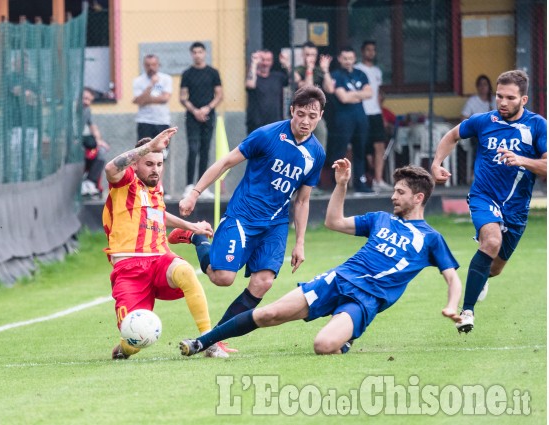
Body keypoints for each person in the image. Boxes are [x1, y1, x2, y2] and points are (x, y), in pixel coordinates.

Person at [179, 161, 462, 357]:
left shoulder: (430, 238)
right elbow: (334, 221)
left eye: (400, 192)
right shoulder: (380, 219)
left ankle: (345, 339)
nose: (393, 196)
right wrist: (341, 185)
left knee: (323, 345)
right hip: (337, 279)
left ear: (418, 198)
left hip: (365, 300)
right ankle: (201, 342)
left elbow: (452, 277)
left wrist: (452, 306)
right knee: (268, 314)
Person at [168, 85, 327, 353]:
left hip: (275, 225)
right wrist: (194, 194)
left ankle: (210, 341)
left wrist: (300, 242)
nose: (306, 121)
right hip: (242, 216)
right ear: (292, 110)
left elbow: (302, 200)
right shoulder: (267, 135)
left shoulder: (316, 153)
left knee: (263, 282)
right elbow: (225, 163)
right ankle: (196, 238)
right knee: (223, 278)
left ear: (320, 116)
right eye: (301, 114)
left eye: (312, 116)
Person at [431, 69, 547, 333]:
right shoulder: (483, 121)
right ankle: (467, 312)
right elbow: (451, 136)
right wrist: (437, 163)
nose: (503, 102)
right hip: (484, 196)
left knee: (493, 268)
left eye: (509, 97)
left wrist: (522, 160)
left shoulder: (538, 125)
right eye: (499, 96)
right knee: (491, 240)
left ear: (524, 100)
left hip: (516, 208)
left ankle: (482, 277)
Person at [102, 127, 227, 359]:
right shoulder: (124, 181)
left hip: (159, 259)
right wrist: (149, 147)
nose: (156, 170)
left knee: (186, 272)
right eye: (149, 164)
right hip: (129, 268)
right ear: (135, 164)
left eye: (159, 164)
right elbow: (110, 168)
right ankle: (124, 349)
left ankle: (209, 341)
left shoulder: (155, 187)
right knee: (135, 340)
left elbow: (158, 214)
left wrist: (193, 227)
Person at [324, 46, 373, 194]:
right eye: (345, 58)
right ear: (339, 59)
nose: (348, 61)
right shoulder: (336, 75)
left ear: (354, 58)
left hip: (360, 117)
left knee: (360, 150)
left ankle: (360, 182)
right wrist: (358, 94)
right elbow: (343, 98)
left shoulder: (361, 73)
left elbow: (369, 93)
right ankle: (336, 184)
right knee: (340, 150)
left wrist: (351, 94)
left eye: (350, 58)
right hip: (343, 118)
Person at [179, 42, 223, 200]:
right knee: (193, 149)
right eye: (195, 52)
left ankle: (203, 187)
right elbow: (183, 97)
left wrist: (207, 109)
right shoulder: (187, 74)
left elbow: (219, 95)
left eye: (200, 52)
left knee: (205, 150)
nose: (197, 55)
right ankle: (189, 186)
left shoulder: (213, 73)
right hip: (192, 117)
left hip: (208, 115)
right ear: (192, 54)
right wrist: (195, 111)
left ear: (205, 53)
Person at [354, 40, 393, 192]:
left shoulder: (377, 71)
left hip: (376, 113)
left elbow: (378, 95)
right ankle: (359, 180)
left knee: (380, 146)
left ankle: (378, 179)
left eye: (373, 50)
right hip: (362, 112)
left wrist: (382, 113)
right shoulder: (357, 69)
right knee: (361, 147)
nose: (371, 53)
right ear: (362, 52)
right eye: (368, 50)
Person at [290, 41, 333, 154]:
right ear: (302, 55)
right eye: (307, 54)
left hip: (315, 112)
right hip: (300, 111)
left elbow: (330, 89)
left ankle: (318, 162)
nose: (310, 57)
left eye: (313, 55)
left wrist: (325, 71)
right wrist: (309, 69)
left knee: (321, 132)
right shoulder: (297, 70)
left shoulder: (319, 70)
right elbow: (308, 89)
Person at [245, 49, 289, 134]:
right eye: (263, 60)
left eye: (268, 60)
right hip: (256, 125)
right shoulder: (254, 78)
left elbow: (295, 81)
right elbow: (250, 85)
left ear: (272, 61)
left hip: (275, 124)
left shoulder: (277, 77)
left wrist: (286, 64)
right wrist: (253, 64)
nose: (265, 63)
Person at [132, 54, 172, 146]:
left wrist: (145, 99)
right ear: (144, 66)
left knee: (162, 151)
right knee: (144, 151)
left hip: (162, 120)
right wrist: (151, 84)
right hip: (144, 121)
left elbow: (165, 98)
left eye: (153, 64)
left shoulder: (166, 79)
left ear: (158, 65)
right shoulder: (138, 80)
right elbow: (139, 101)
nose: (151, 67)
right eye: (148, 65)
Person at [81, 87, 110, 198]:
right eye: (84, 98)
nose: (86, 102)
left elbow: (92, 126)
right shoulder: (71, 109)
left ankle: (90, 182)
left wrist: (99, 141)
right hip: (73, 142)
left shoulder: (87, 110)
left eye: (88, 99)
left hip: (83, 140)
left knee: (101, 151)